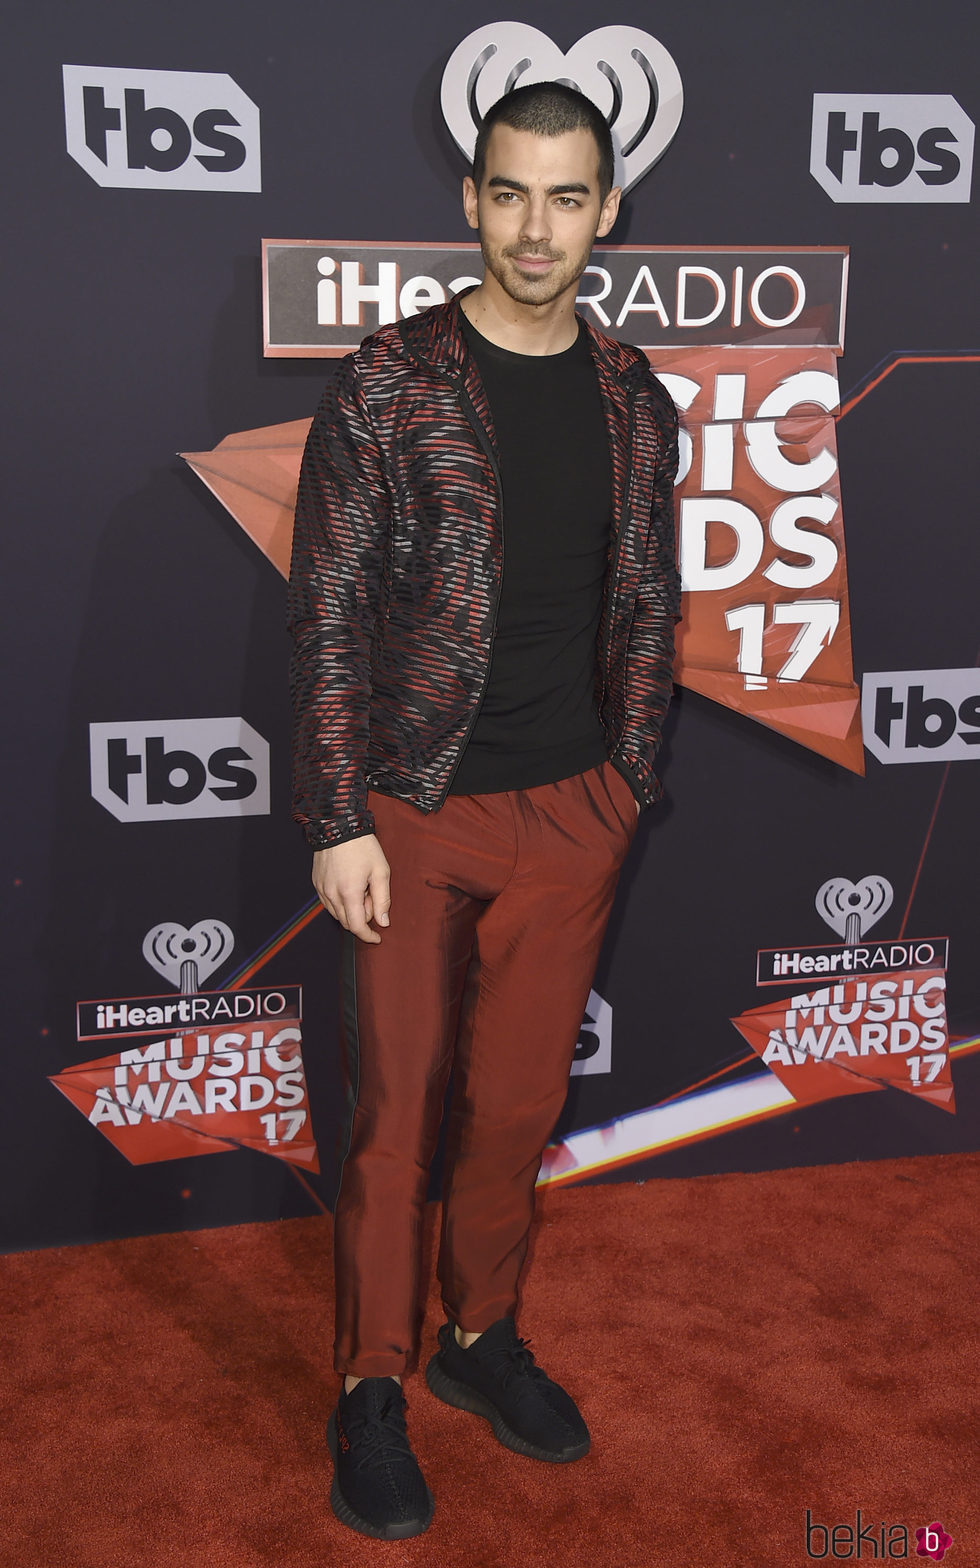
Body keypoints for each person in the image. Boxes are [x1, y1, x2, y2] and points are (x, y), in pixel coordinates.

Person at [287, 80, 680, 1541]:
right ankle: (370, 1390)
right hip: (414, 809)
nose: (536, 226)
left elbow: (647, 602)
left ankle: (478, 1342)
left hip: (576, 811)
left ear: (608, 210)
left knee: (514, 1109)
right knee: (397, 1122)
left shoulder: (636, 396)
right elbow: (327, 609)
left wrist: (628, 776)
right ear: (470, 199)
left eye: (566, 197)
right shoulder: (392, 381)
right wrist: (337, 816)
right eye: (510, 192)